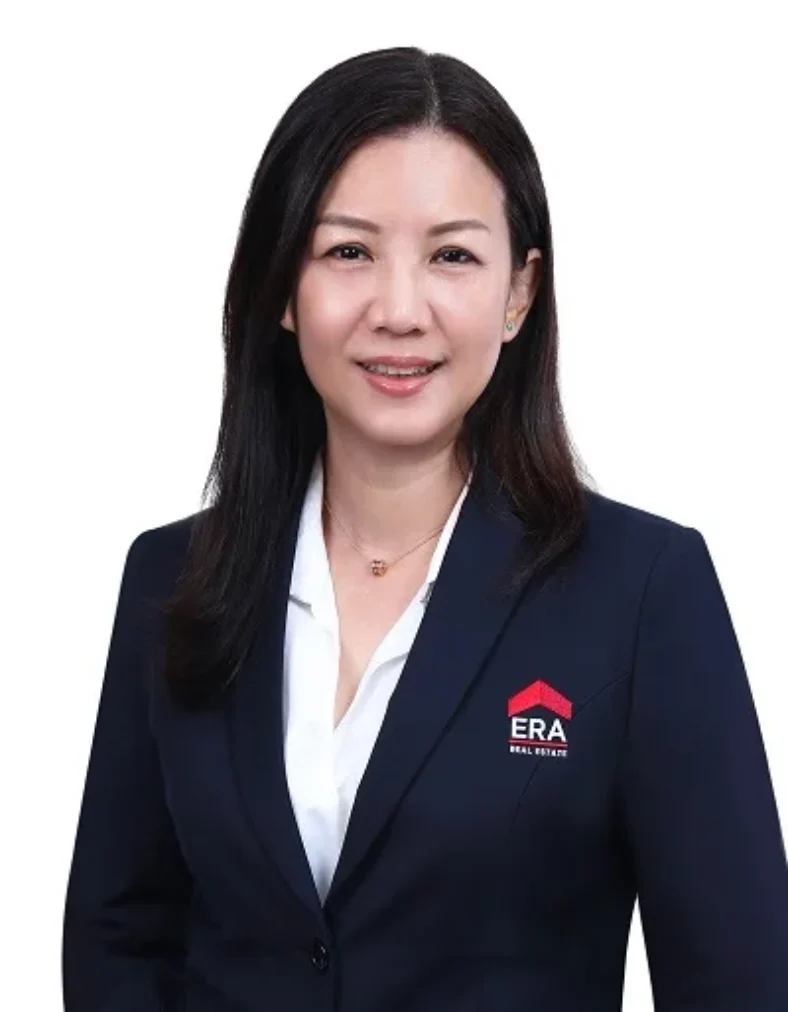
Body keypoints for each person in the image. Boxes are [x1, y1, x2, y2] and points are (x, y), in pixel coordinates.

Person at [61, 45, 788, 1012]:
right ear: (283, 287)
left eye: (452, 255)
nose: (399, 311)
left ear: (519, 291)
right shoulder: (171, 577)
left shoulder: (643, 590)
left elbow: (740, 979)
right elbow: (119, 936)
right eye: (348, 252)